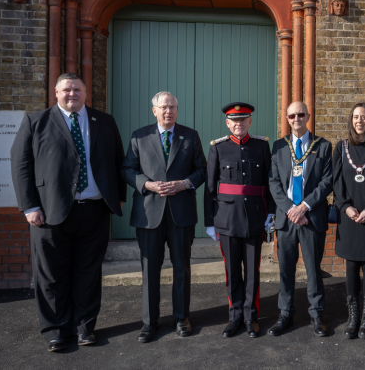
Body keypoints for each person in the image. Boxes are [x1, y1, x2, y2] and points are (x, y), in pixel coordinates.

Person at [11, 73, 125, 352]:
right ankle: (55, 331)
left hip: (95, 210)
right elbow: (20, 165)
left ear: (86, 94)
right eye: (66, 89)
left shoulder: (105, 121)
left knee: (88, 274)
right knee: (51, 275)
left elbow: (117, 160)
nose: (72, 93)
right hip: (48, 214)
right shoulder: (35, 121)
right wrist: (30, 206)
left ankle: (84, 328)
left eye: (77, 89)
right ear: (56, 92)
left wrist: (118, 197)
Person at [121, 92, 207, 343]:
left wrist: (185, 183)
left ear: (177, 110)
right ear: (154, 111)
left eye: (172, 107)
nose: (168, 111)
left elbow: (202, 170)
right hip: (148, 214)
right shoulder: (140, 136)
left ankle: (181, 317)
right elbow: (127, 169)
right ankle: (150, 322)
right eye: (163, 107)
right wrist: (147, 184)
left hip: (181, 214)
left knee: (182, 267)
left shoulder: (190, 135)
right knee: (150, 269)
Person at [205, 102, 274, 338]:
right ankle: (234, 317)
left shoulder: (262, 146)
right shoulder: (218, 148)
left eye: (243, 120)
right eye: (234, 121)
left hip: (255, 217)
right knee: (232, 271)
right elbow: (210, 188)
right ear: (228, 123)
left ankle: (251, 318)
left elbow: (270, 183)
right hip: (226, 219)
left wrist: (271, 215)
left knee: (252, 272)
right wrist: (209, 222)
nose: (239, 124)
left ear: (250, 122)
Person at [267, 101, 333, 337]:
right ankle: (285, 313)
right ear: (287, 119)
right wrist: (290, 209)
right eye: (292, 115)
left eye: (301, 114)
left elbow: (327, 182)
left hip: (311, 217)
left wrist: (303, 207)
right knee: (286, 269)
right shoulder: (278, 147)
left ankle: (317, 314)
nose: (296, 118)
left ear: (308, 116)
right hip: (286, 220)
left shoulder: (323, 146)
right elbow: (273, 183)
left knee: (314, 269)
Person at [332, 103, 365, 340]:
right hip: (349, 217)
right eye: (355, 117)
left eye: (363, 117)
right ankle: (353, 317)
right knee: (351, 266)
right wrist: (347, 207)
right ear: (351, 120)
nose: (359, 121)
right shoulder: (341, 148)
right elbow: (336, 182)